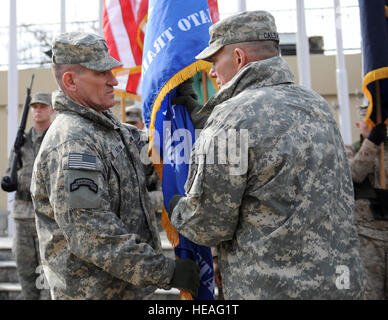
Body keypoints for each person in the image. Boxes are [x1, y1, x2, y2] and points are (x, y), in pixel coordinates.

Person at [167, 11, 366, 299]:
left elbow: (209, 226)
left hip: (271, 289)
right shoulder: (316, 105)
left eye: (214, 61)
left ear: (238, 58)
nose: (211, 72)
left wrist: (176, 206)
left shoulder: (231, 117)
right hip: (340, 284)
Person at [30, 32, 199, 300]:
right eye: (101, 73)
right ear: (70, 81)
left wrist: (177, 116)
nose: (113, 80)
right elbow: (93, 235)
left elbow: (150, 153)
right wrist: (166, 271)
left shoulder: (107, 127)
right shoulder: (73, 142)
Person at [1, 92, 54, 300]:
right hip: (23, 216)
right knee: (25, 272)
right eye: (34, 107)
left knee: (49, 277)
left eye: (42, 106)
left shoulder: (56, 137)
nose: (38, 110)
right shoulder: (20, 143)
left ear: (51, 110)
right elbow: (9, 172)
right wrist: (8, 180)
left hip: (48, 217)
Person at [345, 105, 388, 300]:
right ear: (359, 125)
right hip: (367, 237)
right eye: (367, 124)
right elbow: (353, 175)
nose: (371, 127)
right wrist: (371, 144)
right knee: (370, 293)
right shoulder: (350, 150)